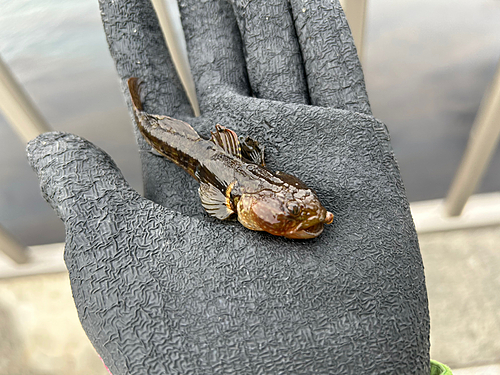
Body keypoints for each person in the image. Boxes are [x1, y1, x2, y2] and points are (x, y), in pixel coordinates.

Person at [27, 0, 451, 373]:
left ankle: (140, 107)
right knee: (155, 128)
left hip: (231, 165)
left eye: (304, 206)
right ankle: (140, 111)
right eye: (294, 210)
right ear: (241, 204)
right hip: (196, 151)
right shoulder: (230, 198)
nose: (320, 215)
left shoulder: (255, 195)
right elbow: (218, 199)